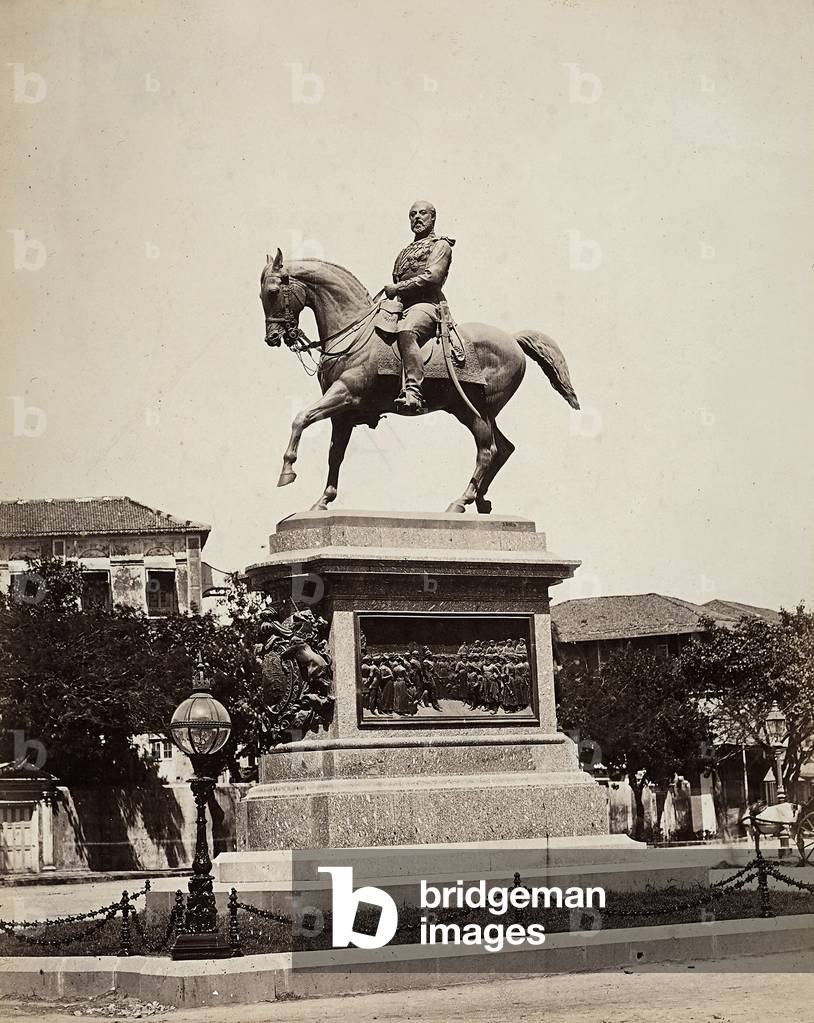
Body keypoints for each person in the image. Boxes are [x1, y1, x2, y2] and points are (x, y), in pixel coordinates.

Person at [383, 201, 454, 413]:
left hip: (427, 305)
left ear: (433, 218)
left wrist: (398, 287)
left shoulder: (440, 245)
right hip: (402, 306)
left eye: (422, 213)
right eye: (412, 214)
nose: (417, 217)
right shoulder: (405, 251)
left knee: (407, 330)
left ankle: (413, 390)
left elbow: (433, 277)